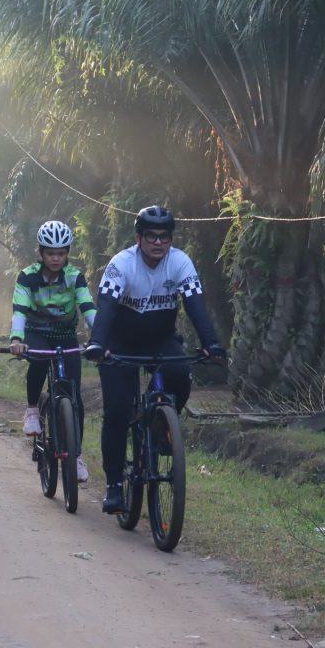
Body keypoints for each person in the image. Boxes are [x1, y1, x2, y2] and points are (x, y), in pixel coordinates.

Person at [85, 205, 227, 513]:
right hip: (118, 342)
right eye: (151, 236)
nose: (158, 243)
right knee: (118, 411)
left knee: (180, 374)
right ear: (138, 238)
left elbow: (195, 304)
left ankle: (161, 425)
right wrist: (97, 343)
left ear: (171, 239)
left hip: (160, 339)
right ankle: (114, 484)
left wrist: (211, 344)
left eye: (165, 237)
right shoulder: (122, 264)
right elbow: (107, 305)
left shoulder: (180, 262)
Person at [8, 220, 97, 482]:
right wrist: (17, 338)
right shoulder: (27, 276)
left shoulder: (74, 276)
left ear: (67, 253)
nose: (56, 258)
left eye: (60, 253)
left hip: (66, 335)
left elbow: (88, 307)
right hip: (37, 333)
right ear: (41, 253)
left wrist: (101, 336)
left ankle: (77, 455)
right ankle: (33, 409)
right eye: (50, 253)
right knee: (37, 359)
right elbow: (20, 311)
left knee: (75, 398)